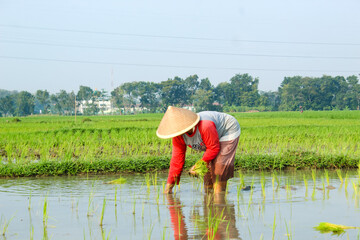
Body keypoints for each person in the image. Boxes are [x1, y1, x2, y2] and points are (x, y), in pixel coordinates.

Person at [156, 106, 241, 194]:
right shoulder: (178, 136)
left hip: (227, 130)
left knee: (219, 167)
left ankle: (220, 197)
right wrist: (168, 188)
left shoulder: (205, 126)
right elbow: (177, 161)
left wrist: (198, 165)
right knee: (207, 175)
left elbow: (213, 148)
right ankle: (209, 197)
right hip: (211, 137)